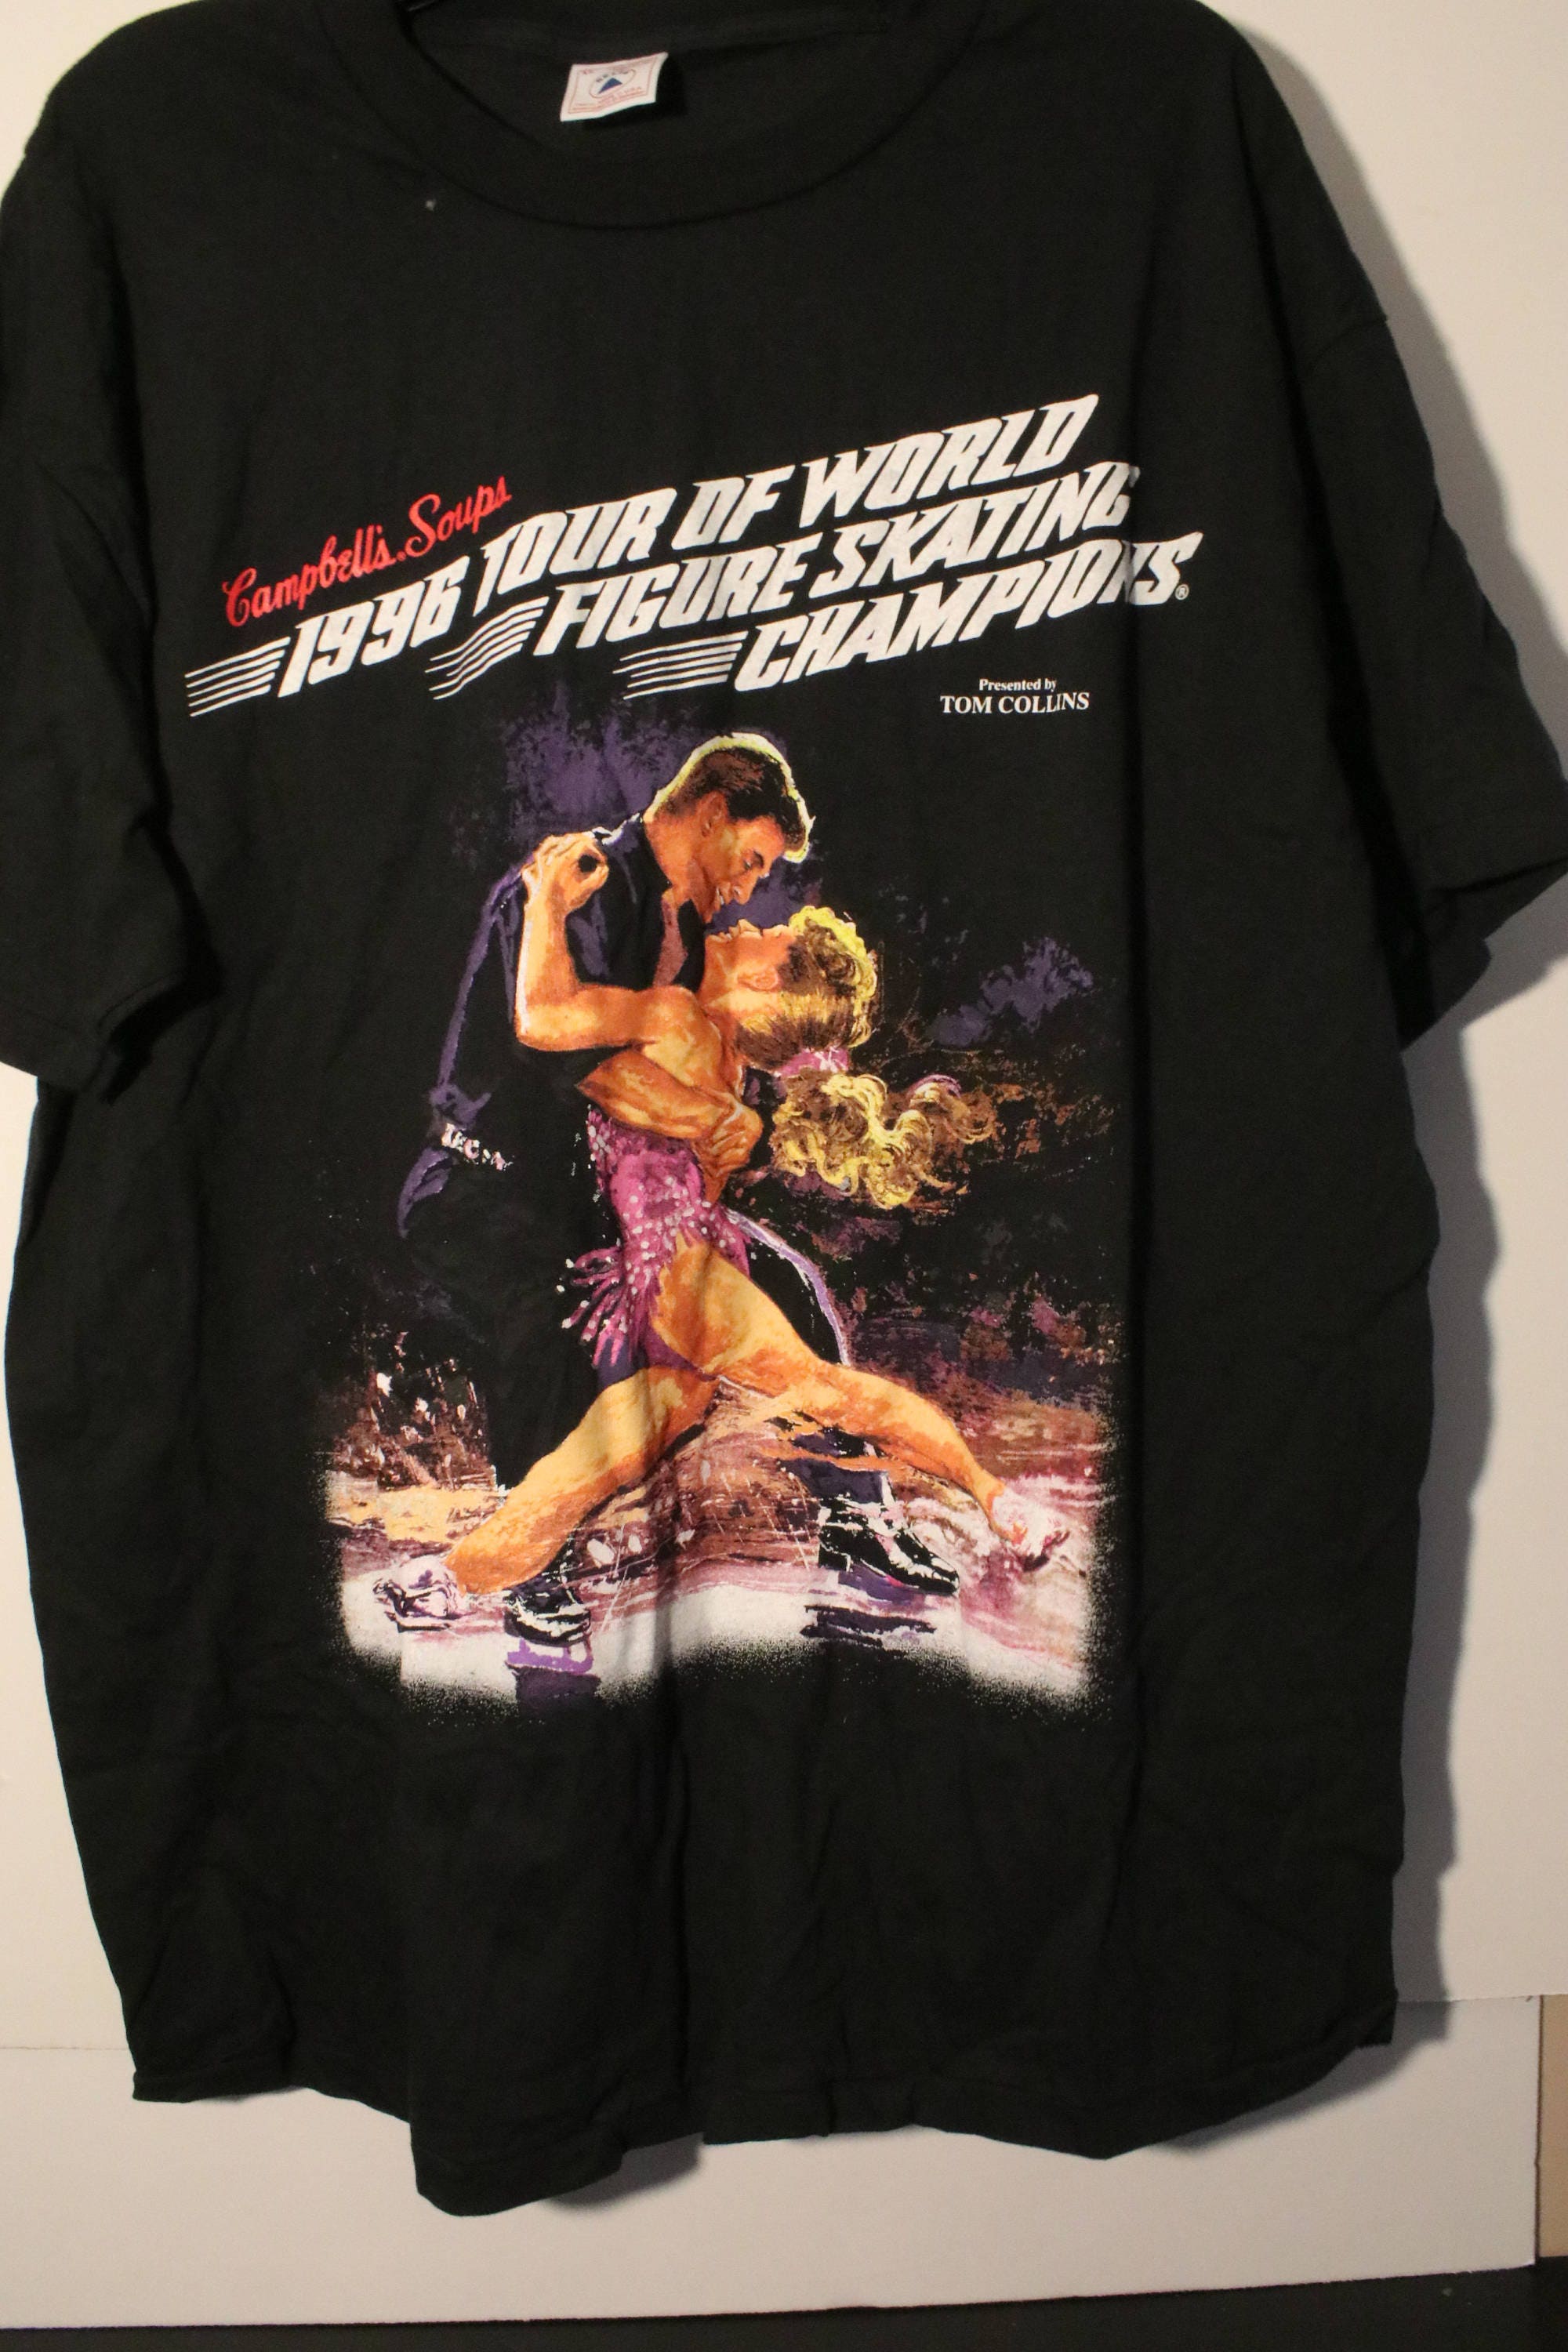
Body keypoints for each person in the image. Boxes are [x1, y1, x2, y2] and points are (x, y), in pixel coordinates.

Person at [437, 833, 1069, 1607]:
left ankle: (983, 1502)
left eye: (765, 933)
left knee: (815, 1392)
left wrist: (543, 903)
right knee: (595, 1470)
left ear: (766, 978)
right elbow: (700, 1180)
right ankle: (450, 1579)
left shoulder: (674, 1021)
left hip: (668, 1282)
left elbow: (543, 1023)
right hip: (674, 1274)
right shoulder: (725, 1065)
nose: (745, 924)